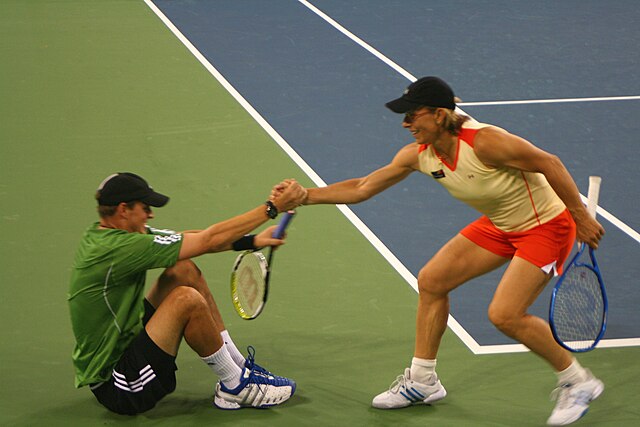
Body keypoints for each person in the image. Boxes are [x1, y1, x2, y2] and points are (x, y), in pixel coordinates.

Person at [275, 77, 605, 425]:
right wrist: (305, 196)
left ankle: (578, 382)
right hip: (501, 224)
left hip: (546, 227)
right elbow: (362, 188)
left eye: (412, 115)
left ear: (439, 114)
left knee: (505, 315)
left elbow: (549, 162)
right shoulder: (420, 155)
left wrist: (580, 217)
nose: (405, 124)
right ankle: (422, 381)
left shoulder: (485, 143)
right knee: (432, 281)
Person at [68, 172, 306, 415]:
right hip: (120, 383)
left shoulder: (108, 234)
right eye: (145, 207)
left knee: (183, 270)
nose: (150, 214)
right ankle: (235, 386)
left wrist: (252, 241)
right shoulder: (117, 249)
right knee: (187, 300)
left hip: (128, 341)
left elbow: (186, 239)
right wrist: (272, 208)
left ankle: (238, 366)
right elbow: (207, 240)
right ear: (123, 210)